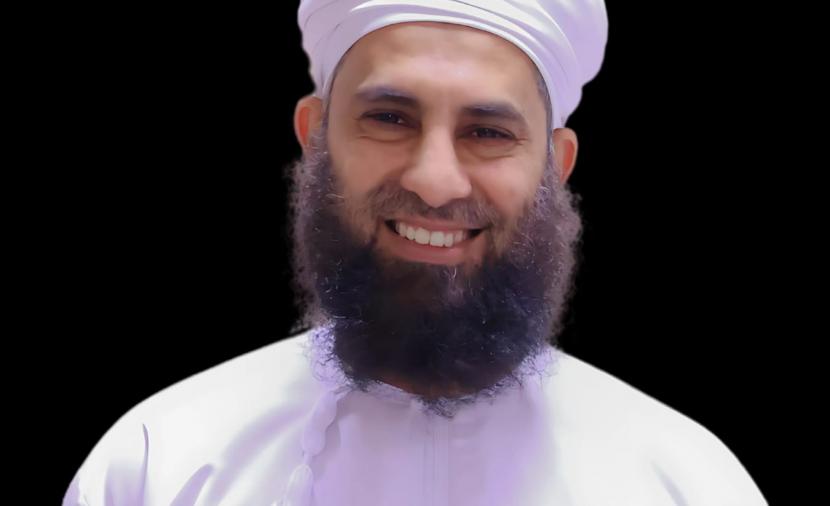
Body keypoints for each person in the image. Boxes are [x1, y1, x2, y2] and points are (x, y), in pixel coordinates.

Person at [63, 1, 768, 505]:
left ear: (555, 166)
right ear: (315, 135)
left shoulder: (684, 481)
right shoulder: (160, 464)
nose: (435, 181)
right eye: (390, 118)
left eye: (488, 132)